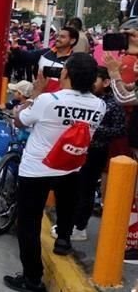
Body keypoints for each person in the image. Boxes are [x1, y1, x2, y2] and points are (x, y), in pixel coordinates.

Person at [4, 53, 105, 292]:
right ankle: (63, 240)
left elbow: (20, 121)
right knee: (67, 206)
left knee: (29, 222)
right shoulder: (99, 105)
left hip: (37, 168)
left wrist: (35, 94)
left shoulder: (49, 100)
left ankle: (32, 278)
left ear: (66, 73)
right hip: (71, 165)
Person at [52, 66, 124, 241]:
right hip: (75, 149)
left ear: (106, 82)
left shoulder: (112, 104)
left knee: (86, 189)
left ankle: (79, 227)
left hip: (95, 151)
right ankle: (69, 222)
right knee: (72, 186)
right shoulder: (86, 99)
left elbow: (119, 129)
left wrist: (91, 129)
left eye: (96, 79)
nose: (91, 83)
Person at [38, 26, 77, 93]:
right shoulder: (45, 53)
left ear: (72, 41)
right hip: (40, 96)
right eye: (57, 36)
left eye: (62, 37)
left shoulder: (74, 61)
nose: (58, 39)